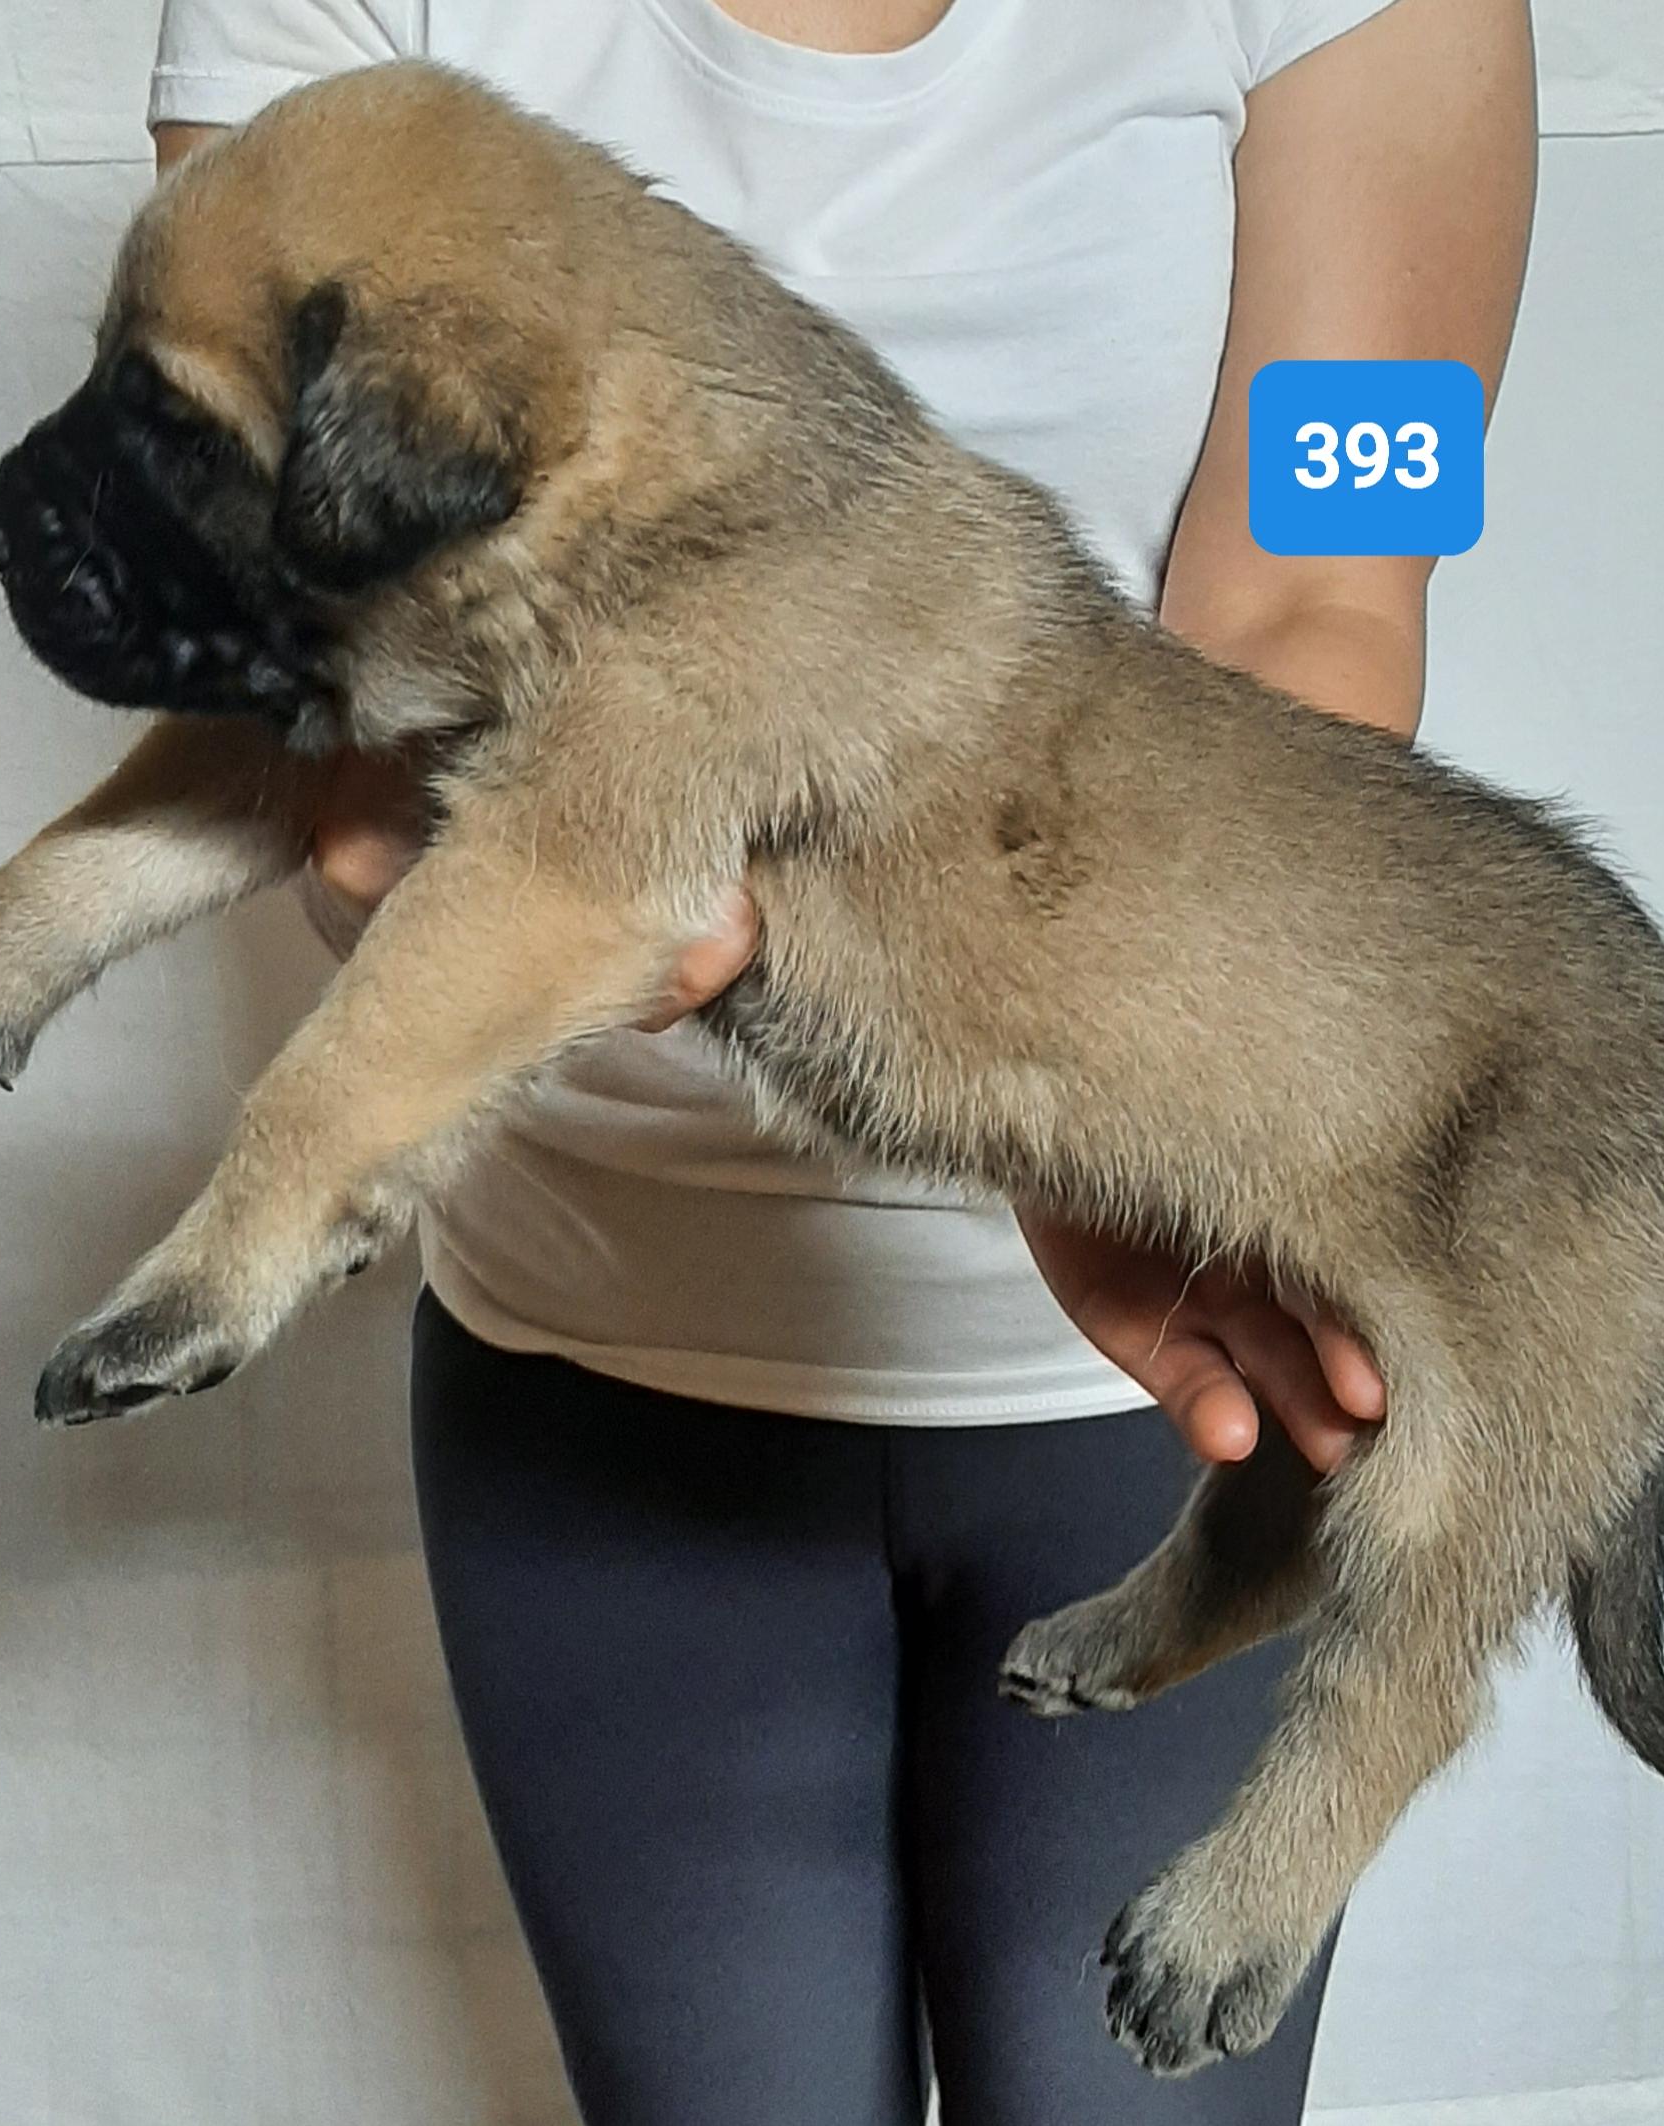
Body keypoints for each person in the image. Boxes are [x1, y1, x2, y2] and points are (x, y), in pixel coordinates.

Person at [148, 3, 1534, 2120]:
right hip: (594, 1373)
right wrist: (499, 857)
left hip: (1181, 1341)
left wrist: (1067, 1098)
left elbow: (1326, 593)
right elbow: (324, 692)